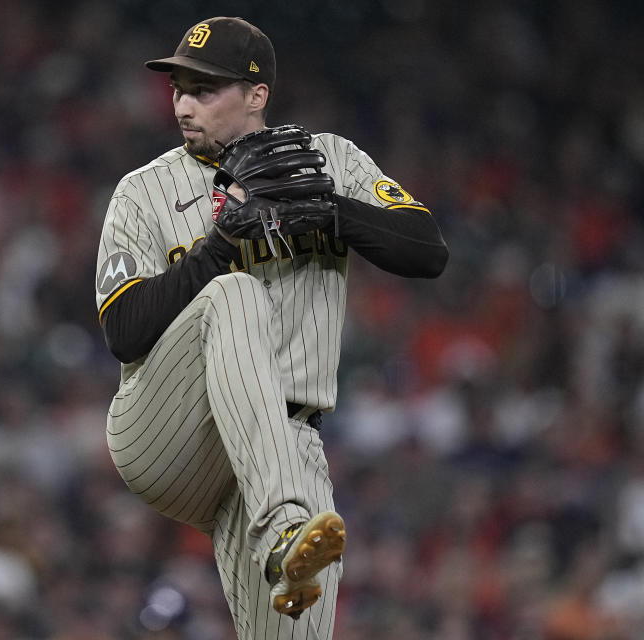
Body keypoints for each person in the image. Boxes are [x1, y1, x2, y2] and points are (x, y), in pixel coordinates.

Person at [94, 16, 448, 639]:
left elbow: (427, 251)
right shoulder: (142, 192)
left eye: (204, 90)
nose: (183, 104)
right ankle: (284, 523)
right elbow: (124, 331)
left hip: (282, 445)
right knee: (233, 292)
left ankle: (284, 529)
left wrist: (332, 210)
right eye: (178, 88)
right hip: (170, 426)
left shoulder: (329, 160)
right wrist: (217, 247)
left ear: (257, 95)